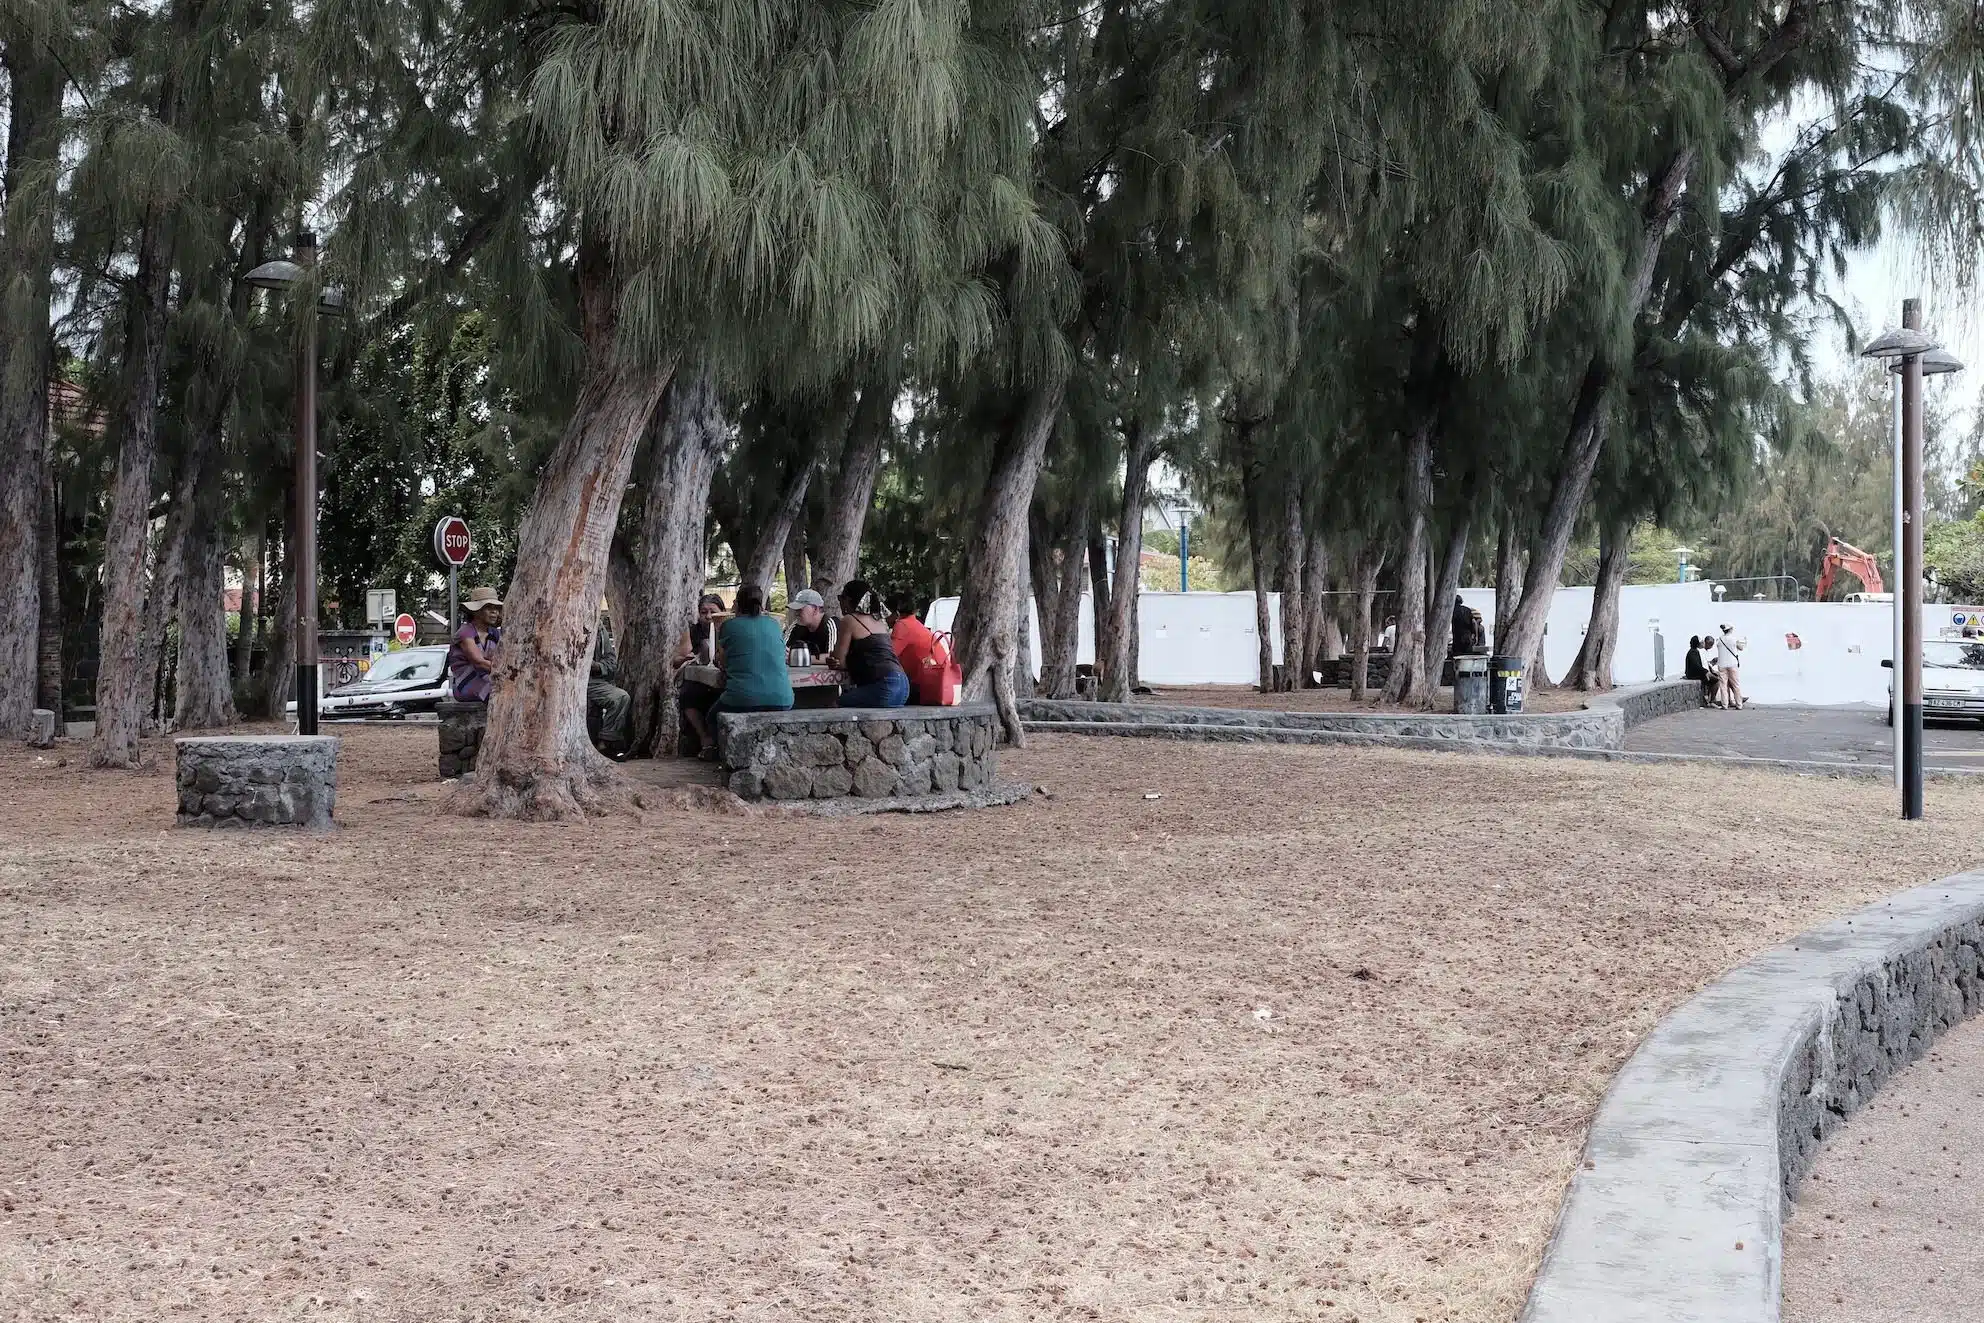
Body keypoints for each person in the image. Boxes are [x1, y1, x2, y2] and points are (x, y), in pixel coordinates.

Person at [714, 583, 794, 720]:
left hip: (742, 699)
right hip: (783, 699)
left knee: (711, 718)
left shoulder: (728, 626)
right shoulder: (774, 624)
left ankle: (707, 740)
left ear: (736, 604)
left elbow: (723, 663)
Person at [832, 579, 909, 707]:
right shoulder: (879, 620)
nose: (840, 603)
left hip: (885, 686)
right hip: (903, 686)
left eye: (841, 598)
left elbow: (839, 659)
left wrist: (837, 660)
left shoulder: (849, 620)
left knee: (835, 704)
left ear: (848, 600)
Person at [674, 593, 728, 755]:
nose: (708, 616)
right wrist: (686, 657)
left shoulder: (729, 629)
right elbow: (675, 660)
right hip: (701, 681)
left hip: (723, 677)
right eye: (703, 612)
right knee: (688, 694)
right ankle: (705, 738)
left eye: (713, 611)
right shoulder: (693, 632)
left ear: (722, 611)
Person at [588, 614, 632, 760]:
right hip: (563, 681)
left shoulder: (598, 626)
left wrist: (597, 666)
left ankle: (606, 743)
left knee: (621, 697)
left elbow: (611, 661)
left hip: (593, 681)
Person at [447, 587, 503, 702]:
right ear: (476, 611)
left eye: (496, 608)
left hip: (490, 678)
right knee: (499, 693)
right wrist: (504, 671)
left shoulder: (495, 633)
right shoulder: (465, 632)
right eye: (489, 608)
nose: (494, 612)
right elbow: (479, 662)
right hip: (467, 682)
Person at [786, 588, 836, 659]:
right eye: (795, 610)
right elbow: (782, 651)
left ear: (815, 609)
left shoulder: (830, 624)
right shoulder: (796, 625)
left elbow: (833, 657)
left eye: (800, 609)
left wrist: (800, 658)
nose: (796, 613)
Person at [1715, 624, 1746, 709]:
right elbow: (1741, 648)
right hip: (1732, 664)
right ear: (1730, 630)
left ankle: (1725, 704)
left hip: (1721, 664)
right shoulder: (1734, 639)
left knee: (1723, 685)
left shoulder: (1719, 640)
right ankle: (1739, 704)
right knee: (1736, 684)